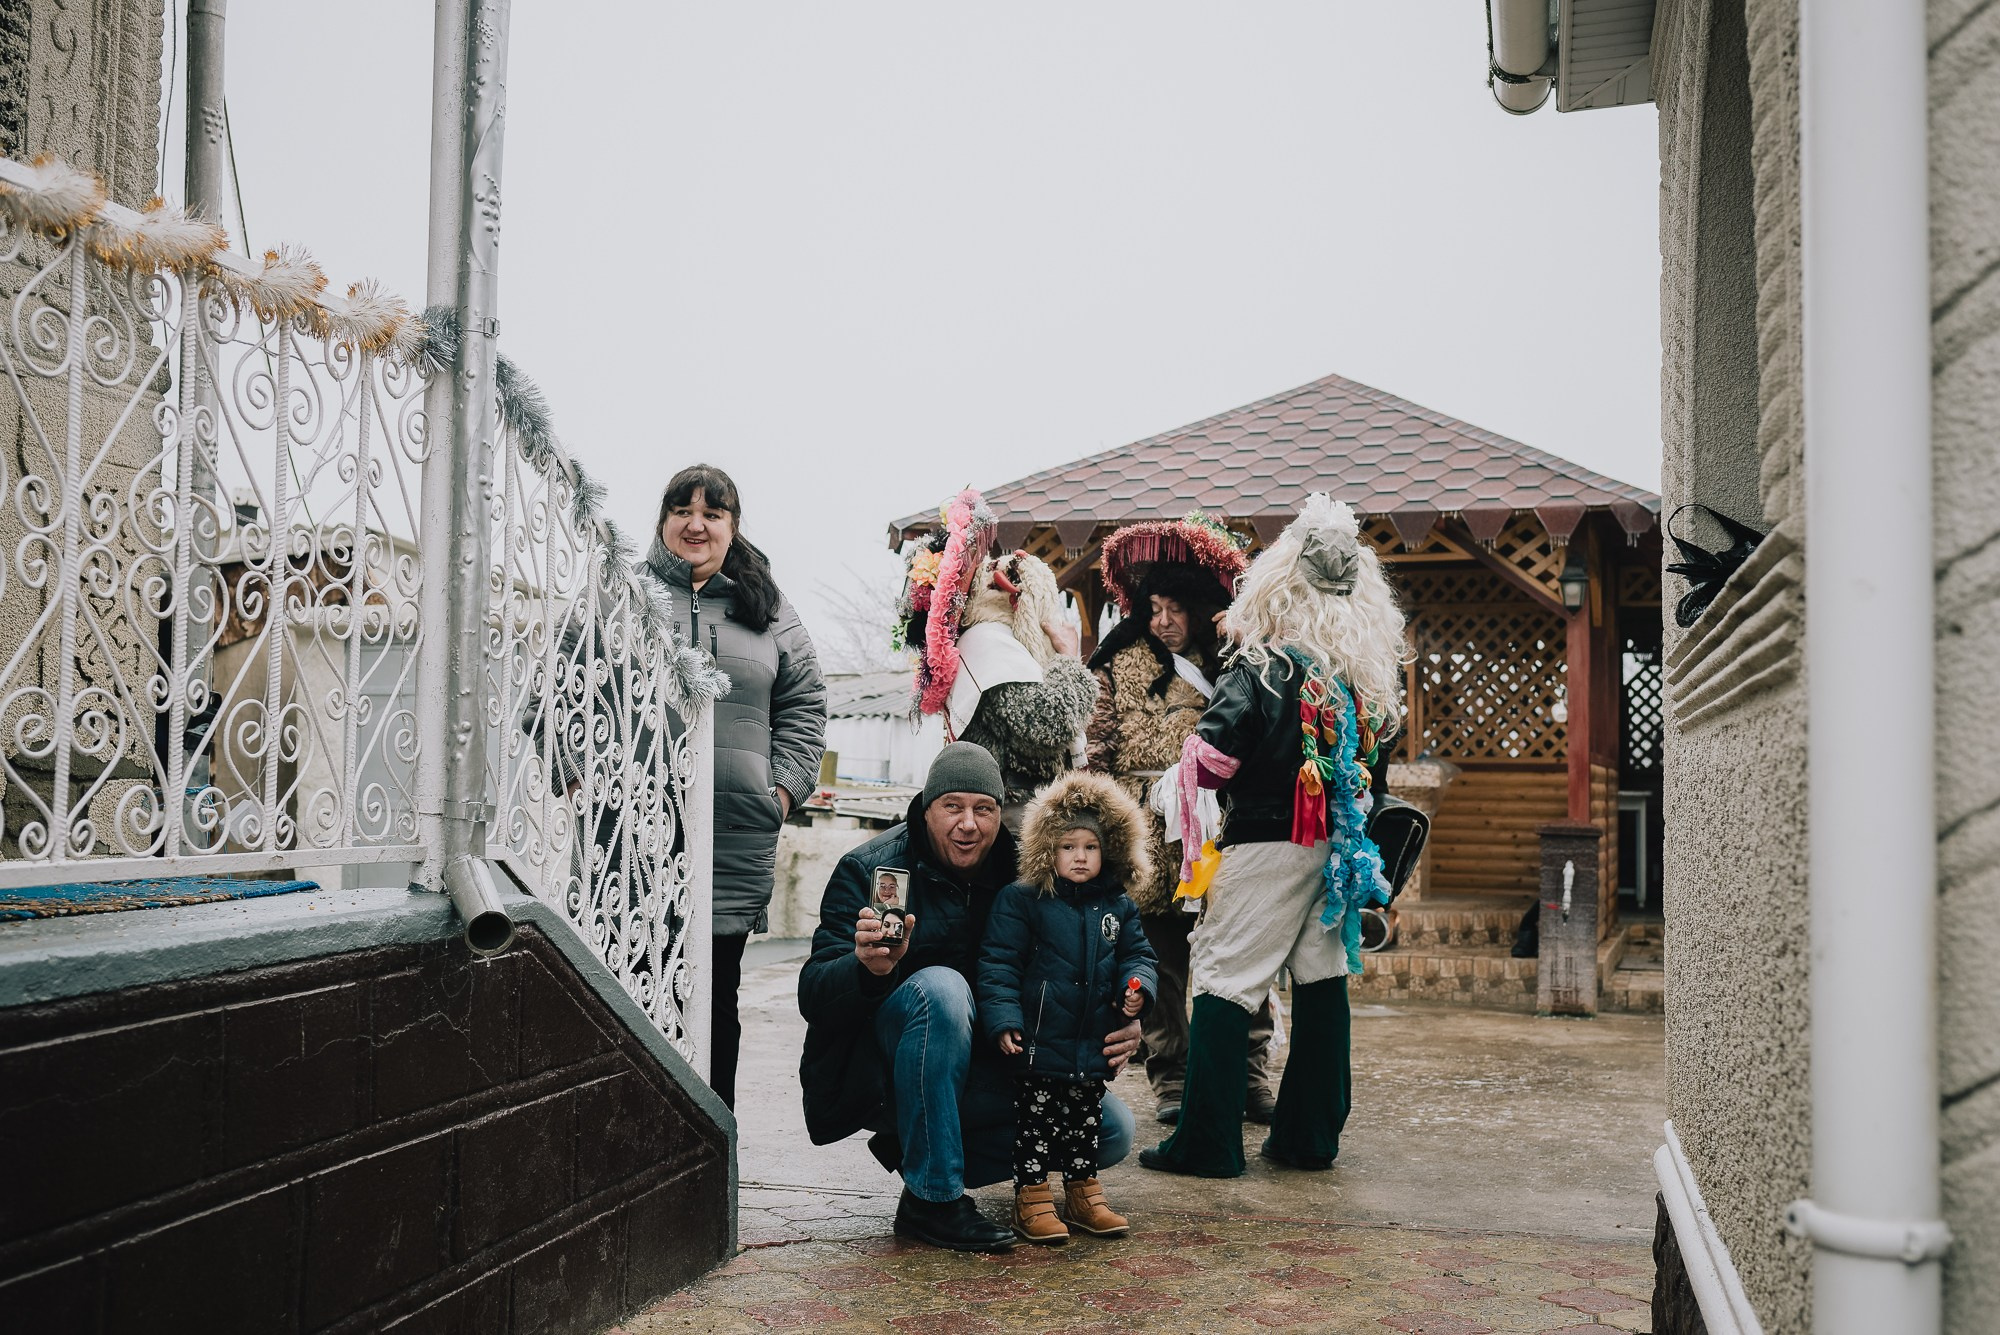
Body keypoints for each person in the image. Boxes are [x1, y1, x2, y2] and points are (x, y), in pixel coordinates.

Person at [1139, 494, 1406, 1180]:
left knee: (1225, 977)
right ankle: (1308, 1136)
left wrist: (1176, 778)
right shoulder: (1365, 679)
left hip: (1263, 842)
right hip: (1339, 850)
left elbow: (1214, 757)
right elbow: (1373, 773)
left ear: (1280, 582)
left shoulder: (1264, 665)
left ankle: (1205, 1143)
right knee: (1322, 977)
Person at [797, 743, 1144, 1254]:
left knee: (1110, 1131)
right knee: (941, 988)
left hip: (992, 1059)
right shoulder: (870, 868)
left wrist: (1127, 1013)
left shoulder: (1028, 872)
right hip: (886, 1067)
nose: (969, 825)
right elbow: (813, 994)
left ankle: (926, 1156)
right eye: (952, 807)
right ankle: (934, 1198)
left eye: (983, 809)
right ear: (927, 806)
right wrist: (866, 970)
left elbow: (1086, 960)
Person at [1084, 514, 1283, 1126]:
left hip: (1217, 828)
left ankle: (1248, 1076)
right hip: (1144, 830)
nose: (1162, 621)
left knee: (1238, 951)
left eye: (1174, 609)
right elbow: (1095, 750)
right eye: (1153, 609)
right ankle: (1170, 1077)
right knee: (1160, 964)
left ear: (1198, 607)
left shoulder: (1235, 662)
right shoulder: (1118, 664)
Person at [645, 464, 826, 1110]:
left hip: (734, 837)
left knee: (717, 998)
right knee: (644, 988)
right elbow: (565, 685)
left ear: (733, 527)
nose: (696, 523)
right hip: (639, 838)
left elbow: (806, 702)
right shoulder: (623, 595)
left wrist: (779, 790)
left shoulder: (767, 607)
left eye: (713, 512)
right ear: (663, 520)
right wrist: (585, 782)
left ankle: (711, 1147)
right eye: (683, 509)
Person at [977, 770, 1158, 1244]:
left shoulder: (1117, 906)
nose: (1080, 856)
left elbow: (1138, 956)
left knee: (1085, 1124)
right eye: (1067, 846)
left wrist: (1138, 987)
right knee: (1035, 1125)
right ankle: (1031, 1198)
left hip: (1090, 1045)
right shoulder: (1023, 901)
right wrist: (1004, 1019)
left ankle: (1084, 1195)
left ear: (1110, 850)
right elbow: (999, 964)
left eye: (1091, 847)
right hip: (1038, 1046)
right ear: (1046, 849)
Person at [896, 489, 1098, 828]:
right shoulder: (988, 643)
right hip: (1017, 812)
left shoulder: (992, 642)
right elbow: (1049, 723)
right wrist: (1069, 659)